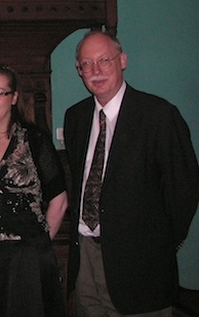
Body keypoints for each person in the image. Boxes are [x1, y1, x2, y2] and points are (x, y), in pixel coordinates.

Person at [64, 30, 199, 316]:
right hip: (86, 257)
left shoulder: (159, 116)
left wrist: (160, 244)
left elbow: (184, 188)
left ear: (122, 60)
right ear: (79, 70)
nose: (96, 70)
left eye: (104, 60)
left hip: (141, 265)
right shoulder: (75, 117)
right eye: (86, 64)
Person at [0, 64, 68, 317]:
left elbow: (59, 200)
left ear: (14, 97)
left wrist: (36, 246)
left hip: (27, 256)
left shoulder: (35, 140)